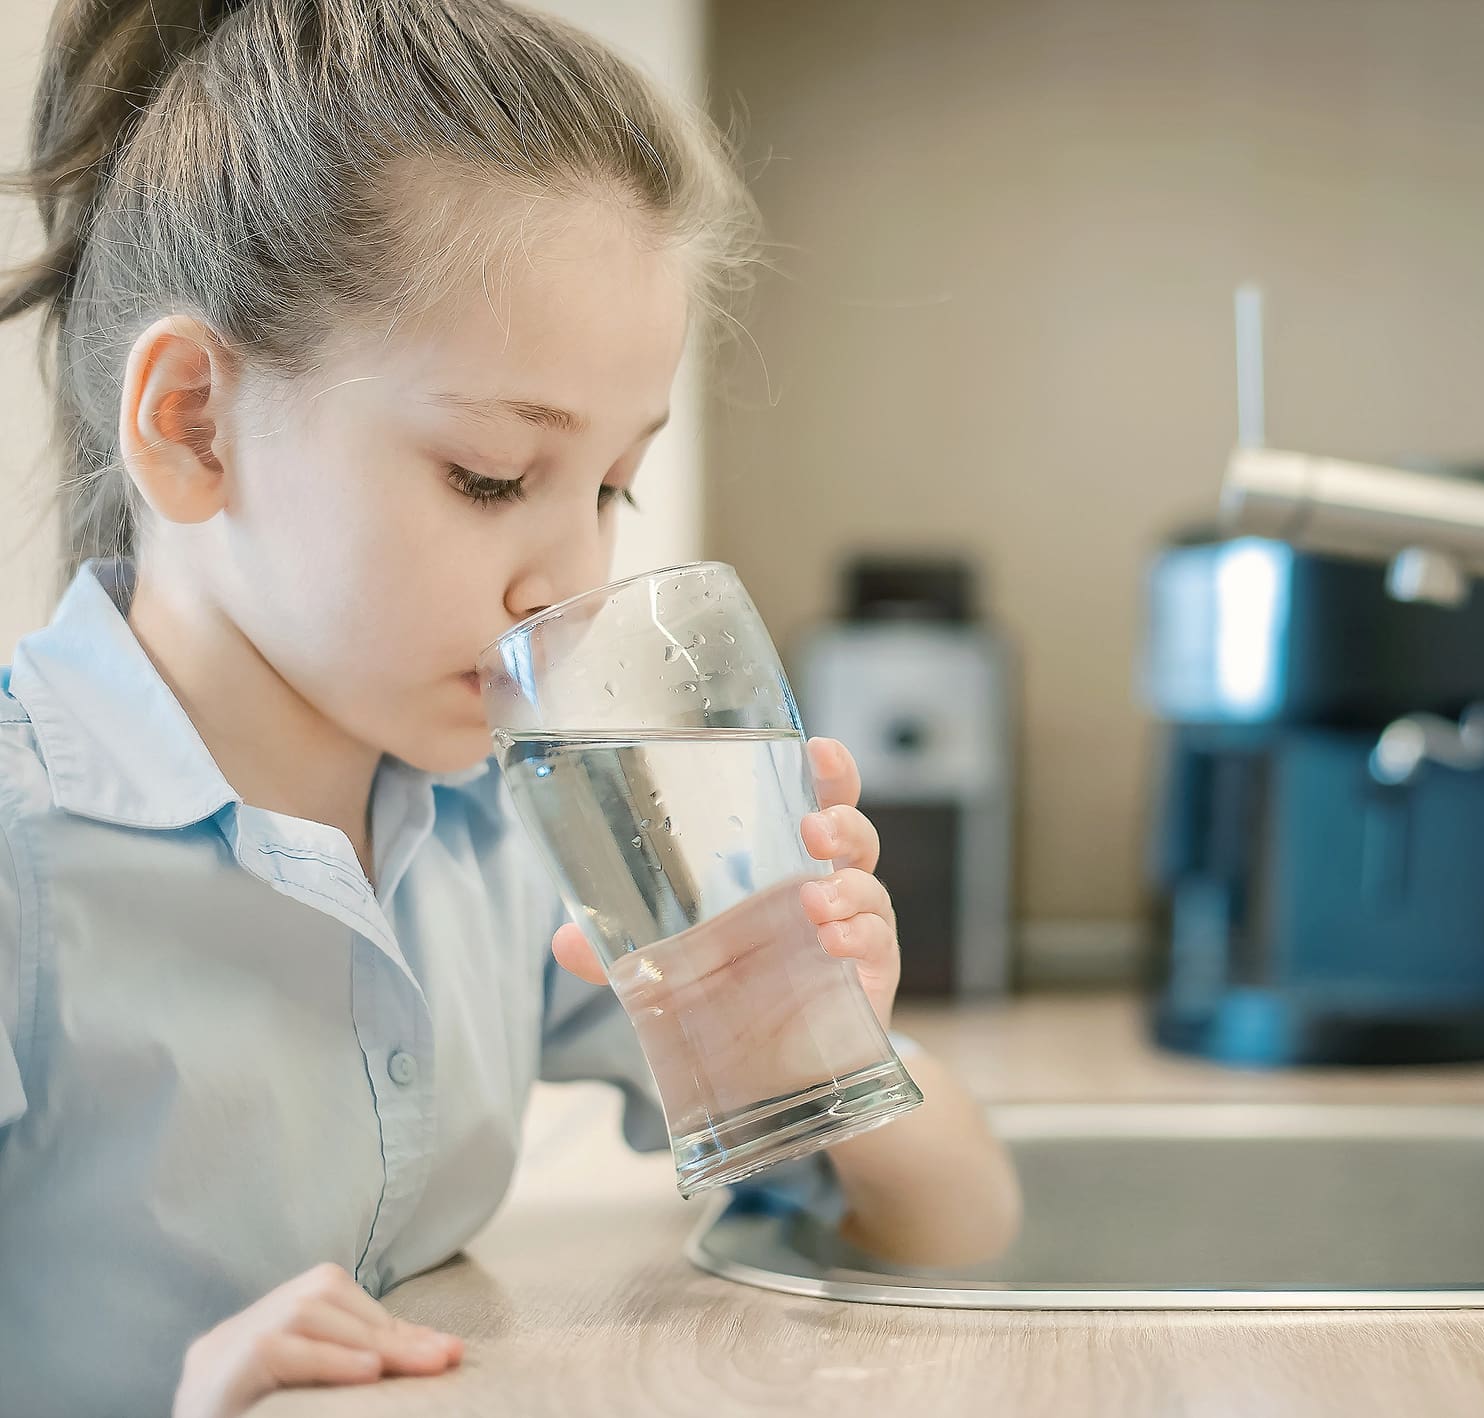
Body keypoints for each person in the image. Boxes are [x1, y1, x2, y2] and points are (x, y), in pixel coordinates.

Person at [0, 3, 1022, 1414]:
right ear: (191, 423)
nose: (572, 580)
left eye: (612, 486)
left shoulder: (500, 825)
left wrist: (830, 1046)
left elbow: (963, 1226)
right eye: (491, 475)